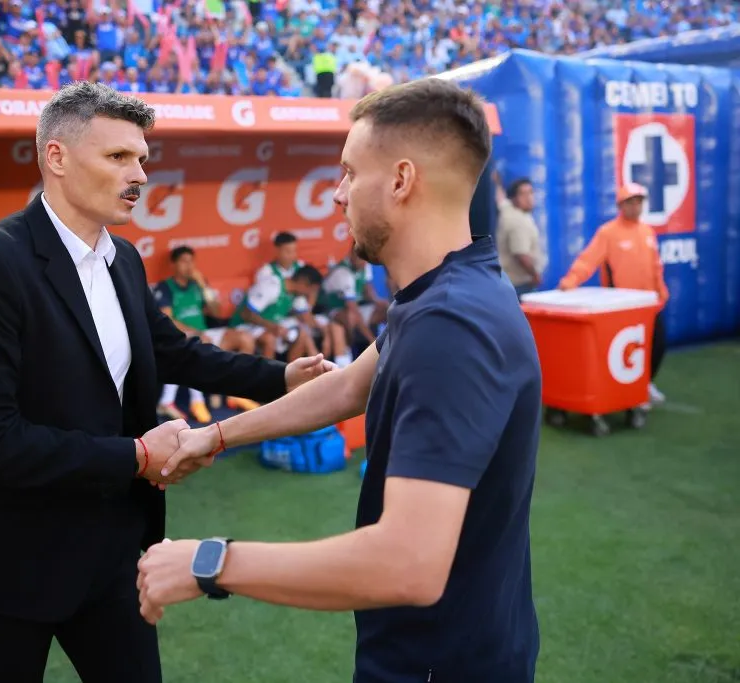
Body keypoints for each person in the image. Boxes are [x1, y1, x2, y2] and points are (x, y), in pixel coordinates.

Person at [0, 82, 332, 683]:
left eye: (142, 159)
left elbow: (173, 351)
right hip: (3, 556)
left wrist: (282, 376)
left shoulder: (122, 258)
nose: (140, 175)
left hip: (108, 548)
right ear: (56, 157)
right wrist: (137, 456)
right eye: (118, 156)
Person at [137, 78, 543, 683]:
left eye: (350, 172)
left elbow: (408, 564)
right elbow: (351, 386)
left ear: (401, 181)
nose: (336, 194)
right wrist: (215, 435)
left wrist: (208, 563)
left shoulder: (450, 323)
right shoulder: (447, 288)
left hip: (440, 663)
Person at [558, 182, 669, 404]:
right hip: (621, 306)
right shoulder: (608, 233)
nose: (635, 207)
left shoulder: (647, 231)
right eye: (631, 202)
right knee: (624, 350)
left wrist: (661, 291)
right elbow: (588, 260)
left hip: (649, 303)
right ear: (620, 205)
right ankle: (624, 391)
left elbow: (655, 266)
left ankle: (645, 383)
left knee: (657, 344)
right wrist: (570, 281)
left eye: (639, 202)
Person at [153, 245, 260, 422]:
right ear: (173, 264)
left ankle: (236, 393)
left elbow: (216, 312)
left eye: (191, 261)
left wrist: (204, 286)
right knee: (199, 342)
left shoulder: (198, 284)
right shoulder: (165, 287)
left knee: (244, 338)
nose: (189, 266)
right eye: (184, 261)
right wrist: (194, 332)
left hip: (204, 332)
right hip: (180, 334)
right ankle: (197, 401)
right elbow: (167, 320)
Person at [229, 264, 323, 362]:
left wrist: (325, 331)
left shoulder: (296, 295)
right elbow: (246, 313)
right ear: (303, 283)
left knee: (302, 334)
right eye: (311, 290)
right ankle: (268, 371)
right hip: (244, 325)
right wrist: (272, 327)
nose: (310, 294)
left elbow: (307, 317)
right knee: (269, 339)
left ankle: (293, 369)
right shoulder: (272, 286)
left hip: (268, 326)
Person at [318, 242, 389, 344]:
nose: (364, 263)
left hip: (356, 307)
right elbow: (353, 308)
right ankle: (350, 348)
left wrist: (377, 301)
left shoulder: (364, 265)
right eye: (361, 259)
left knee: (387, 308)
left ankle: (391, 342)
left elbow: (367, 289)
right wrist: (372, 339)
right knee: (351, 317)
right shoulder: (343, 273)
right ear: (352, 254)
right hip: (333, 310)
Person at [495, 177, 547, 298]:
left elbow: (501, 199)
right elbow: (521, 255)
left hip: (507, 283)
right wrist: (535, 275)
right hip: (520, 285)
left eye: (530, 192)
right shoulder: (518, 221)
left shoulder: (508, 209)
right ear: (513, 198)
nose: (528, 198)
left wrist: (496, 181)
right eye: (523, 194)